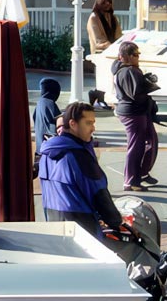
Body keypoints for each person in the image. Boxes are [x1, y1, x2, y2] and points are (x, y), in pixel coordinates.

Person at [38, 101, 124, 238]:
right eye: (88, 123)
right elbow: (100, 195)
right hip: (82, 227)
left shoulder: (46, 153)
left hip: (53, 221)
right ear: (73, 124)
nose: (93, 128)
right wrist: (118, 222)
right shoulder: (79, 156)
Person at [112, 41, 160, 191]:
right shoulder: (129, 71)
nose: (137, 57)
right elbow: (135, 94)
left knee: (149, 142)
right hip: (134, 112)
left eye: (138, 54)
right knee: (136, 147)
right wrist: (148, 87)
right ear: (126, 56)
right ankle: (131, 181)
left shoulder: (125, 70)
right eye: (135, 54)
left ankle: (141, 174)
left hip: (135, 111)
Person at [33, 77, 62, 152]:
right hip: (50, 150)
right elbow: (58, 124)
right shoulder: (49, 103)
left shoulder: (39, 104)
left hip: (40, 148)